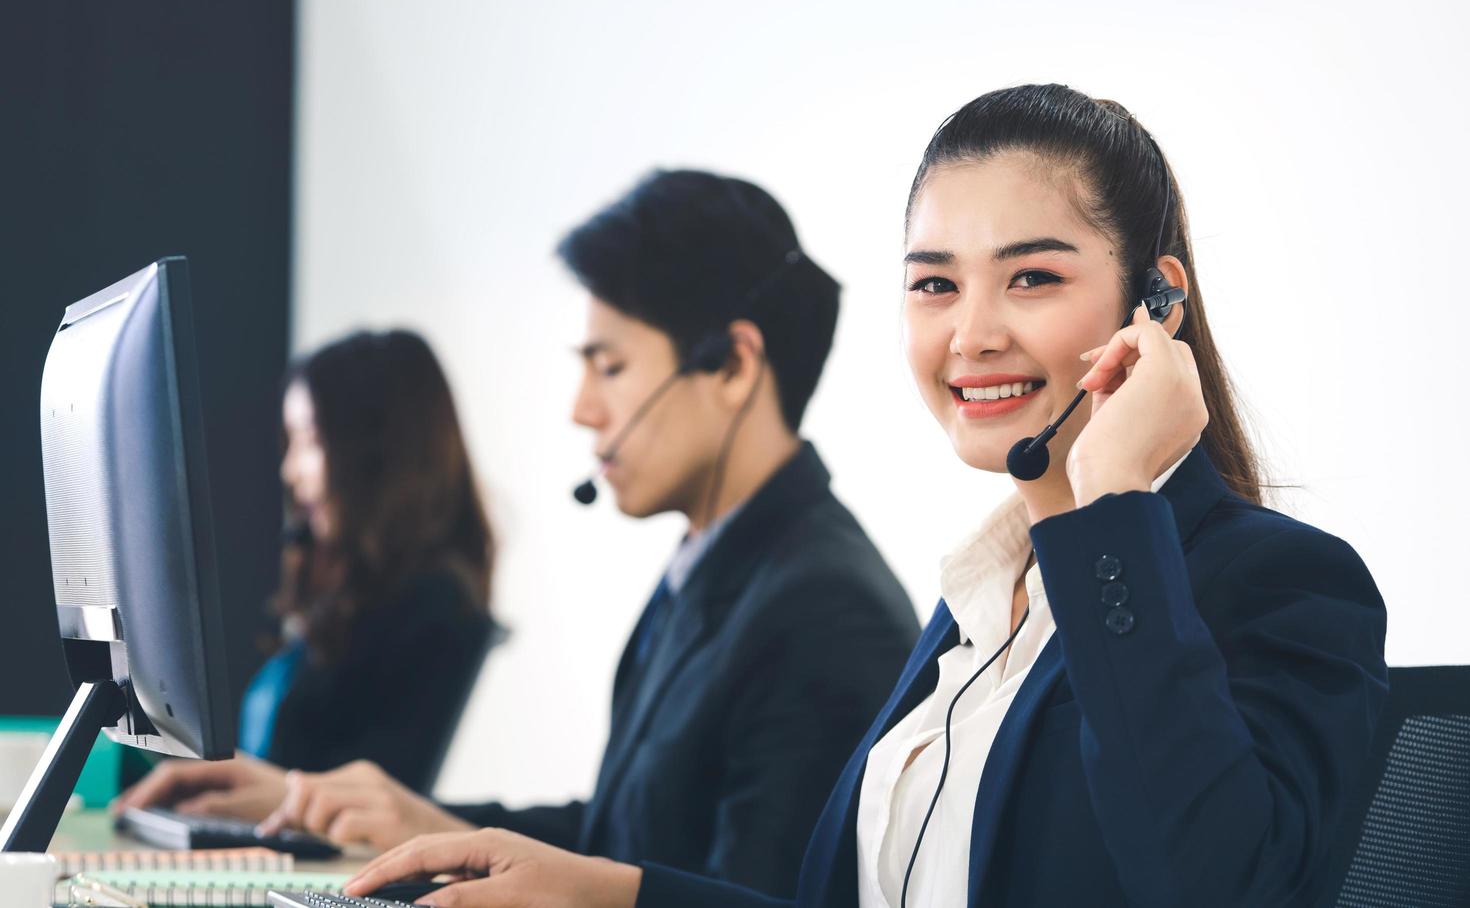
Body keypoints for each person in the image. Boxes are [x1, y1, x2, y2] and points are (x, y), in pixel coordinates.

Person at [342, 85, 1389, 908]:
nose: (970, 332)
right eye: (935, 283)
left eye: (1031, 277)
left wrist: (1114, 504)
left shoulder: (1278, 581)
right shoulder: (980, 602)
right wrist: (610, 891)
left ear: (1157, 298)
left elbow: (1213, 884)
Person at [123, 170, 921, 901]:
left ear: (733, 367)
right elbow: (622, 835)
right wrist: (417, 819)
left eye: (608, 366)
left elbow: (753, 898)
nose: (582, 409)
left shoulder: (822, 606)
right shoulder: (716, 567)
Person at [117, 329, 498, 811]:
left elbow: (379, 806)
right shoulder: (344, 604)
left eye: (310, 441)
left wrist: (277, 801)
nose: (290, 472)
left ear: (380, 454)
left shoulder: (438, 609)